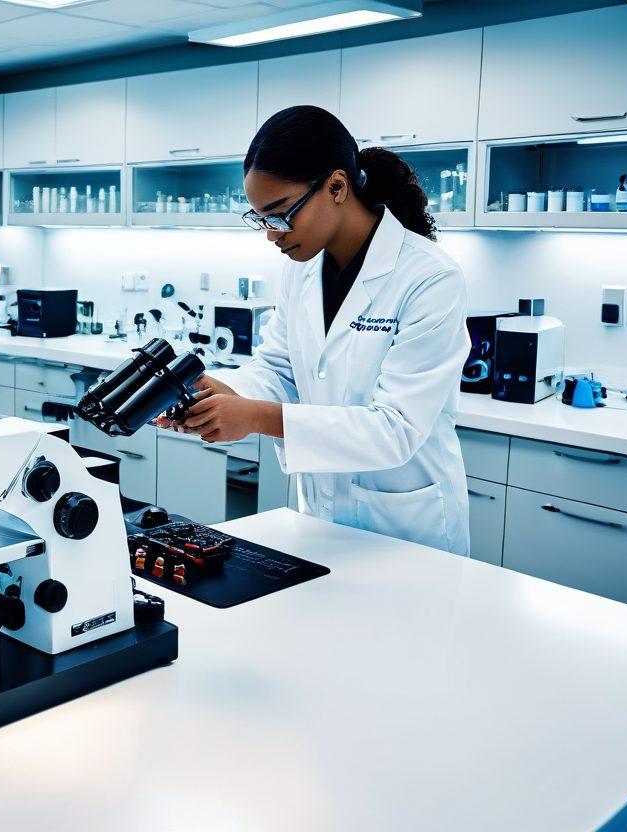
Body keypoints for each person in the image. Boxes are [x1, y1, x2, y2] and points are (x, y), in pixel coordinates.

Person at [168, 106, 471, 555]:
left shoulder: (429, 277)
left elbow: (395, 430)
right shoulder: (303, 269)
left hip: (407, 531)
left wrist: (252, 417)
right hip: (321, 521)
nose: (272, 234)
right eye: (261, 219)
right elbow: (278, 369)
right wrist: (223, 390)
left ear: (336, 186)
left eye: (280, 214)